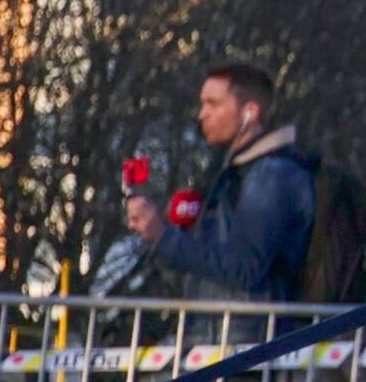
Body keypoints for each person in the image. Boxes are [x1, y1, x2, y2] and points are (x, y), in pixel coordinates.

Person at [123, 61, 320, 302]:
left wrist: (163, 235)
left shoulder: (270, 175)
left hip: (249, 333)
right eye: (202, 104)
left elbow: (244, 268)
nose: (202, 114)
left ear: (250, 112)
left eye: (213, 104)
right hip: (225, 330)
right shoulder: (232, 171)